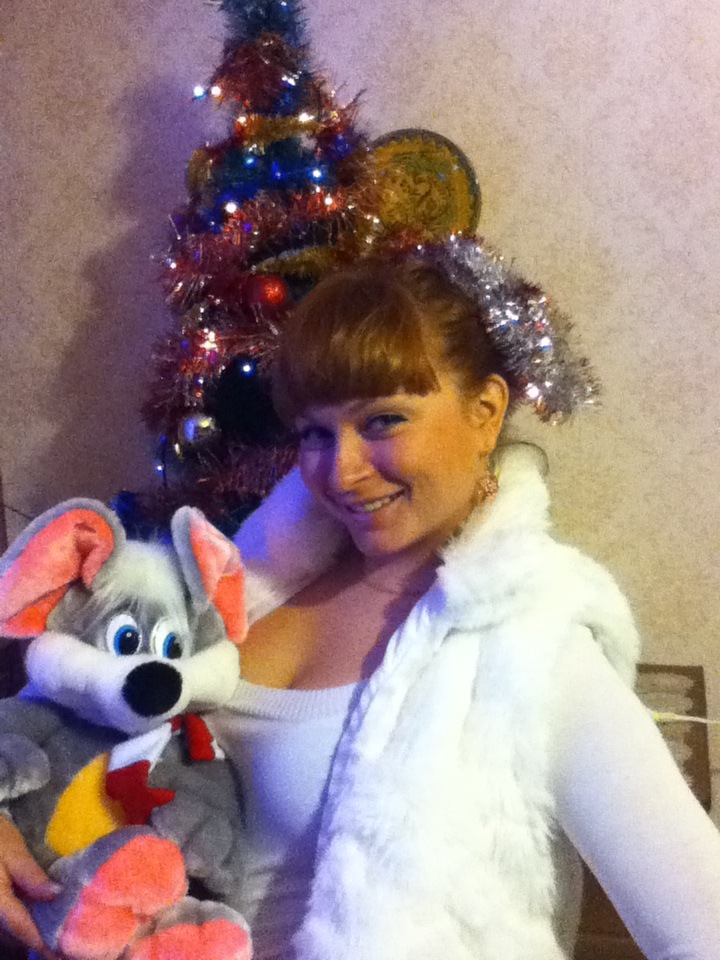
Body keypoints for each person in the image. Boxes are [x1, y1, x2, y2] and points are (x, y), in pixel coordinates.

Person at [2, 244, 720, 960]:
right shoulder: (237, 585)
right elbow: (64, 719)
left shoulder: (532, 644)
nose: (339, 472)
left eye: (383, 421)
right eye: (316, 433)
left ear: (485, 412)